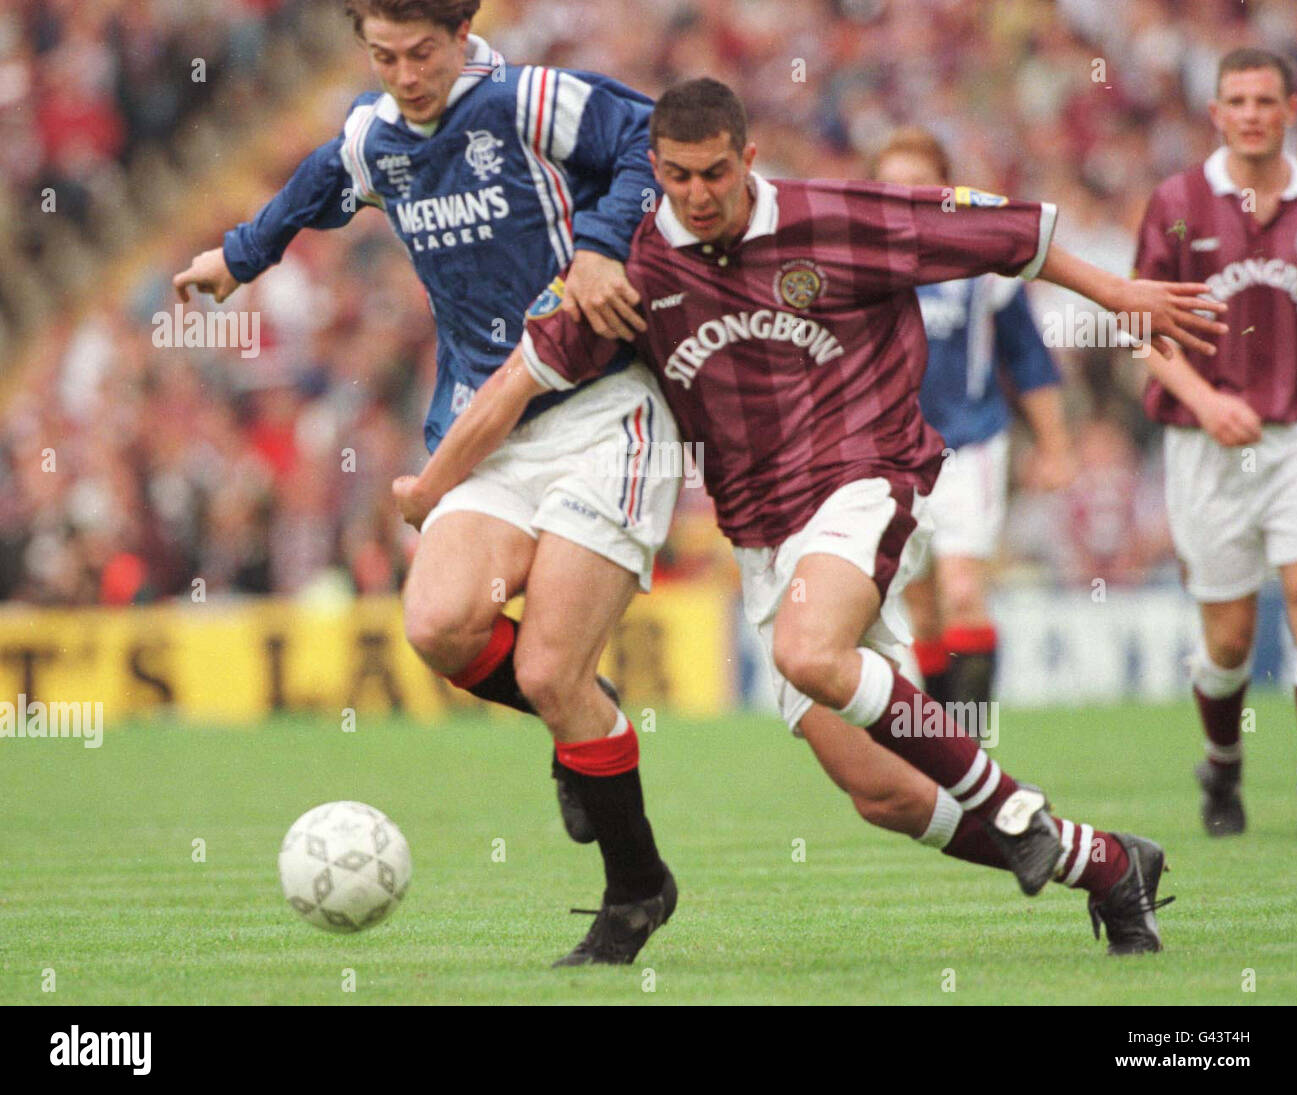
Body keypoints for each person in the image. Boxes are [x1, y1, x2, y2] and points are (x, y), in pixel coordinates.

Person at [396, 78, 1229, 953]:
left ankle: (1010, 806)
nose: (697, 194)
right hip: (764, 539)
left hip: (863, 483)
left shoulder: (837, 218)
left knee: (808, 650)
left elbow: (1009, 232)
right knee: (890, 795)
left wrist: (1117, 293)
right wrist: (429, 485)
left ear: (748, 158)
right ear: (655, 169)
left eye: (714, 172)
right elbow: (521, 377)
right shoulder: (632, 269)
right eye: (676, 176)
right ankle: (1106, 865)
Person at [172, 0, 681, 966]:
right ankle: (585, 715)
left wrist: (599, 244)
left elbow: (649, 138)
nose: (404, 77)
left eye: (421, 55)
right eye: (382, 58)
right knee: (442, 626)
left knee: (546, 663)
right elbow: (317, 182)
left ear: (463, 36)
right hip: (481, 430)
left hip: (600, 413)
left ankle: (635, 892)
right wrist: (236, 259)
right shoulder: (376, 138)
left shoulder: (529, 100)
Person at [1139, 47, 1297, 836]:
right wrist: (1204, 401)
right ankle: (1224, 763)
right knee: (1229, 640)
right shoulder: (1177, 202)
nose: (1251, 113)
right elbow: (1141, 326)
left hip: (1295, 439)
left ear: (1290, 109)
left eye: (1265, 100)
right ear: (1216, 112)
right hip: (1205, 446)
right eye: (1236, 100)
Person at [872, 128, 1075, 708]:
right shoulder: (862, 263)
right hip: (890, 453)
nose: (905, 195)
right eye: (892, 185)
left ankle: (972, 744)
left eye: (918, 183)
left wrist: (1055, 443)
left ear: (944, 189)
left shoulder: (980, 263)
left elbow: (1027, 356)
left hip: (969, 444)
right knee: (921, 606)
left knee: (964, 592)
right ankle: (947, 747)